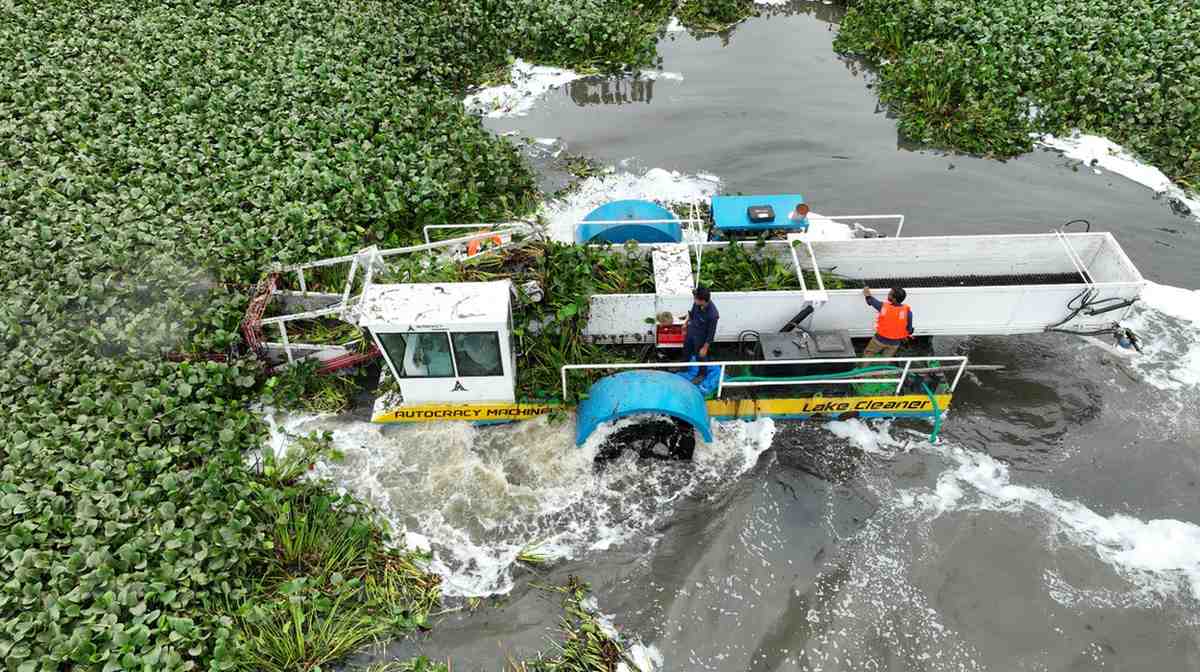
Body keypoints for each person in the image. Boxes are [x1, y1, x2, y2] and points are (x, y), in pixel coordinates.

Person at [862, 286, 913, 357]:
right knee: (885, 360)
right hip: (895, 343)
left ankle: (862, 368)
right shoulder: (908, 312)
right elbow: (909, 330)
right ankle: (883, 368)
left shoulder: (883, 307)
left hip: (879, 340)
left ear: (894, 299)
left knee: (868, 355)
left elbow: (869, 300)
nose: (888, 295)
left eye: (889, 294)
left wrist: (866, 291)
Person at [682, 286, 719, 362]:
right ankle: (684, 368)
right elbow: (691, 314)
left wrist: (705, 348)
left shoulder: (713, 315)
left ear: (703, 301)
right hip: (691, 332)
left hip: (700, 338)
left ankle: (702, 372)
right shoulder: (697, 303)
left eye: (695, 299)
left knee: (700, 356)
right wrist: (685, 324)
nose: (694, 300)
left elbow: (711, 334)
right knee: (686, 351)